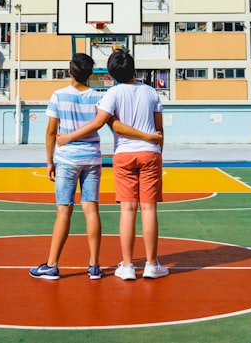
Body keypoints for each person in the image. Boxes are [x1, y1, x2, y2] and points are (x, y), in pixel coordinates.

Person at [30, 53, 158, 281]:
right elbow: (109, 125)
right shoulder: (98, 98)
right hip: (91, 158)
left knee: (64, 210)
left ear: (69, 72)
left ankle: (52, 265)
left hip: (67, 159)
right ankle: (94, 265)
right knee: (91, 209)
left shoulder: (58, 96)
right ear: (91, 74)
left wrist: (50, 160)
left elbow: (51, 132)